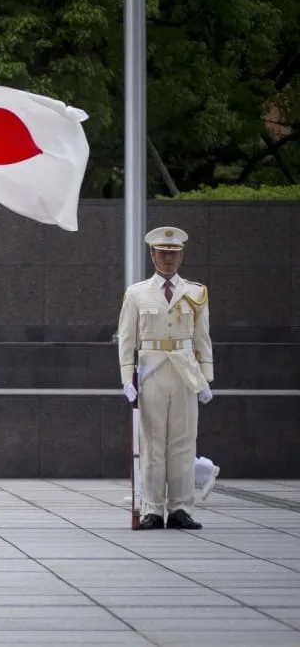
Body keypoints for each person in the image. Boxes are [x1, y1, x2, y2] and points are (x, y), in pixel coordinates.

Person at [118, 226, 213, 530]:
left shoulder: (196, 292)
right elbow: (126, 338)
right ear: (152, 255)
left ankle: (181, 508)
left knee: (183, 443)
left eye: (174, 253)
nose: (168, 259)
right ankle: (153, 508)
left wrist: (206, 377)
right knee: (152, 443)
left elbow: (202, 338)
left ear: (181, 255)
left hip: (186, 373)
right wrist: (126, 377)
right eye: (163, 253)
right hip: (151, 370)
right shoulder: (136, 293)